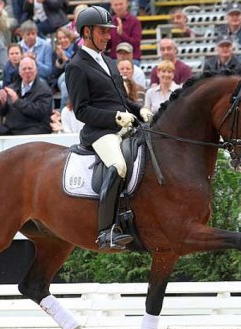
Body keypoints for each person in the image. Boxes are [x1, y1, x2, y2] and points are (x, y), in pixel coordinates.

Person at [65, 6, 153, 250]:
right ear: (87, 32)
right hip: (99, 132)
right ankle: (106, 231)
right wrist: (115, 118)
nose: (108, 36)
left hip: (124, 127)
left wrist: (139, 110)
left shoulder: (110, 62)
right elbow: (82, 111)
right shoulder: (76, 66)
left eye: (108, 31)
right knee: (118, 165)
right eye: (103, 31)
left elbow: (122, 101)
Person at [0, 56, 52, 136]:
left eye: (30, 68)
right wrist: (2, 103)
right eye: (24, 69)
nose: (27, 71)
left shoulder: (44, 90)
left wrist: (17, 102)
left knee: (23, 138)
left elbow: (41, 112)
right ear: (19, 71)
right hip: (11, 128)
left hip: (34, 127)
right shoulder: (12, 87)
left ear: (36, 70)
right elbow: (0, 112)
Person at [51, 27, 79, 110]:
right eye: (60, 38)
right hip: (60, 79)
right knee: (64, 79)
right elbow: (54, 74)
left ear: (70, 38)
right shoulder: (55, 53)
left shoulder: (77, 49)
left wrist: (65, 58)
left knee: (64, 86)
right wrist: (60, 59)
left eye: (65, 37)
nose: (63, 40)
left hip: (74, 79)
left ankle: (62, 112)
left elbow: (75, 69)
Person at [107, 0, 142, 65]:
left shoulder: (135, 21)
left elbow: (136, 43)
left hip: (132, 59)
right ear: (111, 6)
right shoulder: (110, 22)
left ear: (127, 4)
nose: (118, 7)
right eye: (116, 5)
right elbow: (108, 45)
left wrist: (122, 34)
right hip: (114, 59)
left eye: (121, 4)